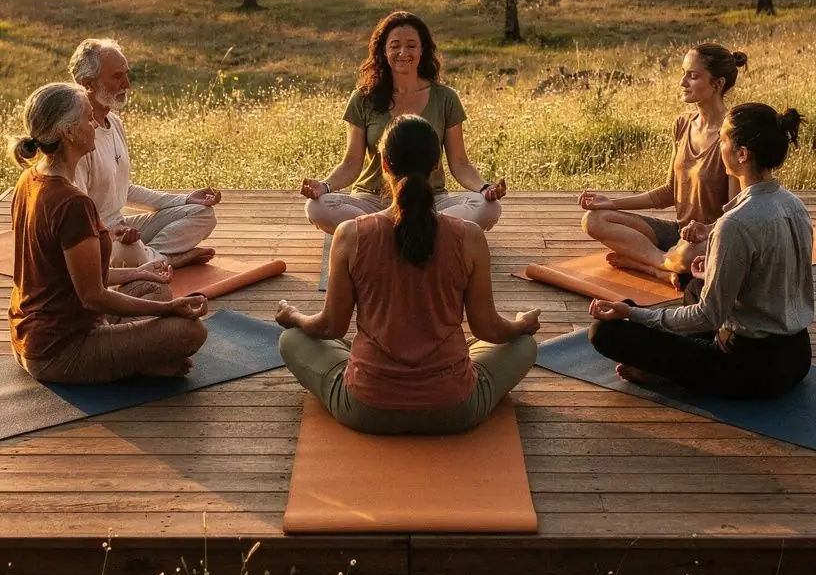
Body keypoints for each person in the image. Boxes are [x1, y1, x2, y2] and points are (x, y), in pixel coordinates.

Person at [278, 114, 539, 434]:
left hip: (366, 407)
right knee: (524, 345)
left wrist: (294, 316)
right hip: (454, 408)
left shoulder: (350, 234)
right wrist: (521, 324)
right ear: (436, 166)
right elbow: (488, 328)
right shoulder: (470, 236)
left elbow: (331, 326)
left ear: (384, 165)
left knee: (291, 338)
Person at [586, 103, 813, 400]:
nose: (719, 148)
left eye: (723, 141)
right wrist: (714, 268)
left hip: (751, 369)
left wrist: (634, 313)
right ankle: (670, 361)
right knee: (695, 286)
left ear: (742, 154)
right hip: (797, 357)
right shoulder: (794, 205)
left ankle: (662, 369)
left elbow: (708, 316)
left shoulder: (736, 223)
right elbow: (775, 275)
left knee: (604, 332)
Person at [8, 83, 209, 384]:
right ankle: (136, 361)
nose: (94, 124)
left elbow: (76, 279)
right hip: (60, 350)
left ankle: (132, 354)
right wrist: (167, 309)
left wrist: (138, 272)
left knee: (153, 286)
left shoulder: (29, 178)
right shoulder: (72, 203)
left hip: (33, 335)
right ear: (69, 132)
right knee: (190, 331)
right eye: (87, 118)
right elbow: (93, 297)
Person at [300, 11, 506, 234]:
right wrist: (325, 186)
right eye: (395, 45)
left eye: (411, 45)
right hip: (372, 200)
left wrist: (485, 188)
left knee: (488, 207)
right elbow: (351, 163)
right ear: (384, 51)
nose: (403, 52)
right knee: (317, 206)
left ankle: (380, 234)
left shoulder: (446, 98)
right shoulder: (363, 98)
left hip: (430, 201)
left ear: (422, 50)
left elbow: (460, 163)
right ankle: (418, 232)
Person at [578, 42, 748, 280]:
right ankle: (664, 265)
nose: (682, 83)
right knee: (595, 219)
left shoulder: (731, 137)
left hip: (707, 239)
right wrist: (610, 203)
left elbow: (733, 215)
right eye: (683, 74)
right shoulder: (683, 124)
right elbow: (669, 192)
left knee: (689, 254)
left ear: (717, 84)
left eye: (692, 76)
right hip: (679, 233)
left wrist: (704, 232)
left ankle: (653, 264)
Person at [69, 37, 221, 268]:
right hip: (95, 239)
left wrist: (184, 199)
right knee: (128, 251)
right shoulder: (78, 137)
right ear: (88, 83)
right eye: (117, 76)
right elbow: (78, 217)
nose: (127, 84)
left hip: (122, 228)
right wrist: (110, 235)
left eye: (126, 74)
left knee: (202, 213)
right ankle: (165, 259)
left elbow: (123, 188)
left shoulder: (114, 122)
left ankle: (153, 258)